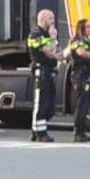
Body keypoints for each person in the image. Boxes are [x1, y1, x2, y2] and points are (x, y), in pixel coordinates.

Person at [26, 9, 60, 142]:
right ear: (43, 19)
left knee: (49, 105)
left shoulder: (46, 34)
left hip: (49, 71)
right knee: (41, 103)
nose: (53, 22)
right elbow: (48, 51)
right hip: (42, 71)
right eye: (50, 19)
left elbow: (54, 52)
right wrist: (52, 38)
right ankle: (40, 133)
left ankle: (36, 130)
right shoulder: (36, 34)